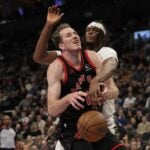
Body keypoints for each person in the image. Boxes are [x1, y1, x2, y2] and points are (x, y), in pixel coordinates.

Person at [34, 5, 125, 150]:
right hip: (72, 128)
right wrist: (68, 98)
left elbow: (113, 87)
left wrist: (106, 92)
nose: (76, 36)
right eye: (69, 35)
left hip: (98, 120)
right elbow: (51, 109)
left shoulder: (97, 55)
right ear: (62, 46)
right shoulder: (58, 65)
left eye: (75, 33)